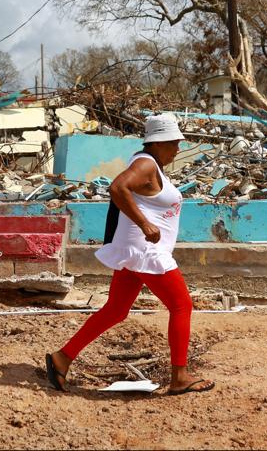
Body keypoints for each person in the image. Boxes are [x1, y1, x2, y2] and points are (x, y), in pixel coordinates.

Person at [46, 113, 215, 396]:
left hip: (135, 250)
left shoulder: (151, 164)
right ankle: (180, 377)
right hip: (144, 251)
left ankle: (62, 358)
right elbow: (117, 188)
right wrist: (144, 224)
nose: (177, 148)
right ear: (159, 142)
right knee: (182, 305)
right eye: (174, 143)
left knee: (116, 309)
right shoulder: (146, 163)